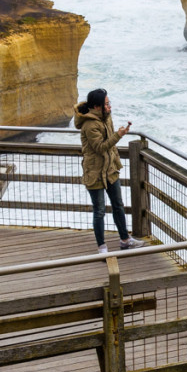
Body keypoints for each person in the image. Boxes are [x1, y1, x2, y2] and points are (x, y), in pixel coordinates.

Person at [74, 88, 145, 254]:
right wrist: (118, 135)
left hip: (110, 170)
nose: (109, 106)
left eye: (109, 103)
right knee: (99, 211)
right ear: (97, 106)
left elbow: (109, 142)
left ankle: (125, 240)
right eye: (107, 104)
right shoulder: (90, 125)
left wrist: (117, 135)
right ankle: (102, 247)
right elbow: (100, 147)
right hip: (95, 173)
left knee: (118, 205)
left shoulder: (106, 118)